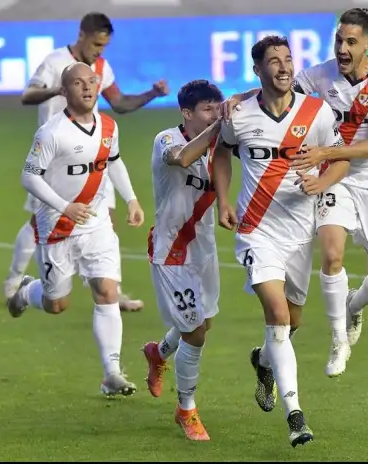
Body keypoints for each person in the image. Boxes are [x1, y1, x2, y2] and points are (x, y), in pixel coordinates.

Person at [222, 9, 368, 378]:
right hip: (336, 178)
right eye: (339, 40)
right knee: (332, 253)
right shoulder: (318, 75)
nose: (342, 48)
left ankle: (354, 306)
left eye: (351, 42)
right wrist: (239, 97)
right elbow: (276, 90)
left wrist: (326, 153)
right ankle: (339, 341)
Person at [213, 35, 349, 447]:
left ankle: (263, 360)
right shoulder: (238, 116)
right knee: (277, 313)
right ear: (257, 70)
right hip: (257, 231)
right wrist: (222, 201)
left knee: (292, 323)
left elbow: (340, 157)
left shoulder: (317, 112)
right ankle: (295, 415)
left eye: (288, 59)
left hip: (298, 235)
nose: (283, 67)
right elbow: (220, 152)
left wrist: (321, 179)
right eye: (273, 61)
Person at [4, 11, 170, 312]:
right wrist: (61, 89)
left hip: (94, 154)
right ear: (82, 35)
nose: (99, 52)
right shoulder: (56, 62)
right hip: (55, 160)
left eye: (103, 46)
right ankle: (16, 283)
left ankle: (111, 291)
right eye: (95, 45)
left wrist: (152, 94)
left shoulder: (101, 68)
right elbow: (27, 95)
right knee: (37, 224)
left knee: (106, 220)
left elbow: (118, 104)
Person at [8, 62, 145, 397]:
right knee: (57, 304)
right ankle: (26, 292)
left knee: (107, 291)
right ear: (64, 91)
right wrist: (64, 206)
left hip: (96, 223)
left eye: (92, 81)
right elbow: (29, 176)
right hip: (57, 226)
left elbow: (113, 162)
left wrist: (131, 199)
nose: (87, 87)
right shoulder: (52, 133)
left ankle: (112, 372)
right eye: (78, 83)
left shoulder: (109, 126)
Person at [141, 80, 225, 441]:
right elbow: (182, 159)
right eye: (208, 109)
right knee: (194, 333)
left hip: (204, 247)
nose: (215, 114)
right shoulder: (167, 139)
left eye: (218, 108)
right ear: (187, 113)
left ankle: (158, 354)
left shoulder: (220, 142)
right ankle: (186, 409)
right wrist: (221, 126)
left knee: (203, 324)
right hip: (172, 250)